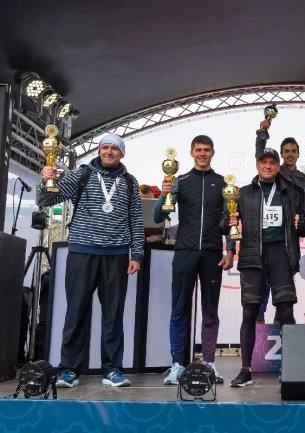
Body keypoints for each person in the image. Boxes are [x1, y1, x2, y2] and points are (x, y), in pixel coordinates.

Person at [37, 133, 144, 387]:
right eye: (105, 147)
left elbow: (136, 220)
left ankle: (113, 370)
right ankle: (69, 370)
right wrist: (46, 181)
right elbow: (47, 200)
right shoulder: (81, 175)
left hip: (116, 255)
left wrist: (137, 254)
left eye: (114, 149)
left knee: (113, 315)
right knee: (76, 312)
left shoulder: (129, 182)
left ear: (122, 153)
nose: (109, 152)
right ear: (99, 150)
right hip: (82, 252)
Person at [153, 135, 234, 385]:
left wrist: (230, 250)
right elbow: (158, 217)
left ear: (213, 153)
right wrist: (164, 195)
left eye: (206, 150)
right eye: (198, 150)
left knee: (210, 312)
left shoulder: (222, 184)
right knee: (179, 310)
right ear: (191, 153)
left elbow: (230, 221)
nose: (202, 154)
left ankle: (209, 363)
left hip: (212, 253)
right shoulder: (180, 181)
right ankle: (177, 365)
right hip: (185, 252)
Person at [228, 148, 305, 387]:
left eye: (272, 163)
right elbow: (225, 223)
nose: (268, 166)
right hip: (252, 255)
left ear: (278, 166)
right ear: (257, 165)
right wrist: (228, 222)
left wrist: (302, 224)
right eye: (263, 162)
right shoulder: (243, 193)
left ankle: (290, 367)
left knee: (286, 310)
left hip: (281, 254)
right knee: (250, 312)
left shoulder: (291, 192)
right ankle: (245, 369)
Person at [255, 118, 305, 323]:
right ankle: (259, 321)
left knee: (285, 280)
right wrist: (262, 133)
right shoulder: (274, 171)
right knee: (261, 282)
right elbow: (259, 154)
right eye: (286, 151)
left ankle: (282, 321)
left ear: (298, 154)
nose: (290, 154)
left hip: (289, 235)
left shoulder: (304, 179)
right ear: (281, 154)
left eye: (293, 151)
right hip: (267, 233)